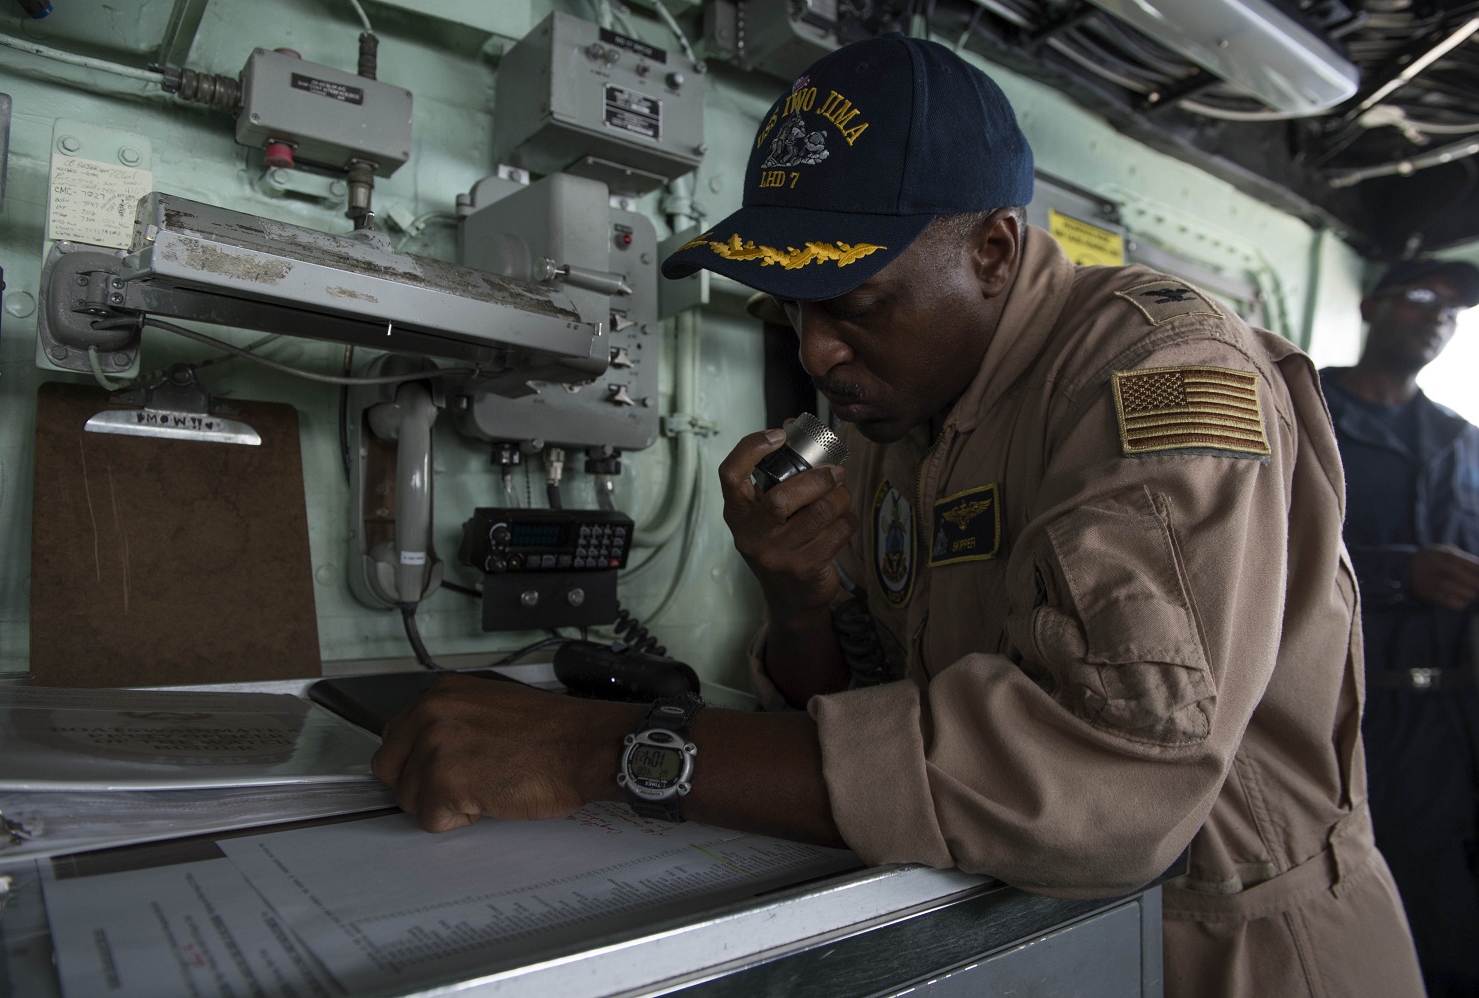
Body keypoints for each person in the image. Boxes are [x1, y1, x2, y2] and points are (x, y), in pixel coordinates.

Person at [372, 35, 1425, 996]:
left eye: (857, 302)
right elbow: (881, 704)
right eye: (792, 306)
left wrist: (604, 749)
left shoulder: (1158, 372)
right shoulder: (895, 421)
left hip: (1238, 948)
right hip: (1022, 928)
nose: (818, 353)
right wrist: (798, 601)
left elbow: (1113, 785)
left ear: (996, 252)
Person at [1319, 259, 1479, 998]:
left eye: (1452, 310)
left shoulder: (1460, 441)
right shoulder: (1304, 406)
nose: (1438, 317)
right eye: (1421, 299)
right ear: (1371, 304)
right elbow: (1257, 546)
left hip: (1452, 719)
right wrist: (1394, 572)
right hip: (1341, 712)